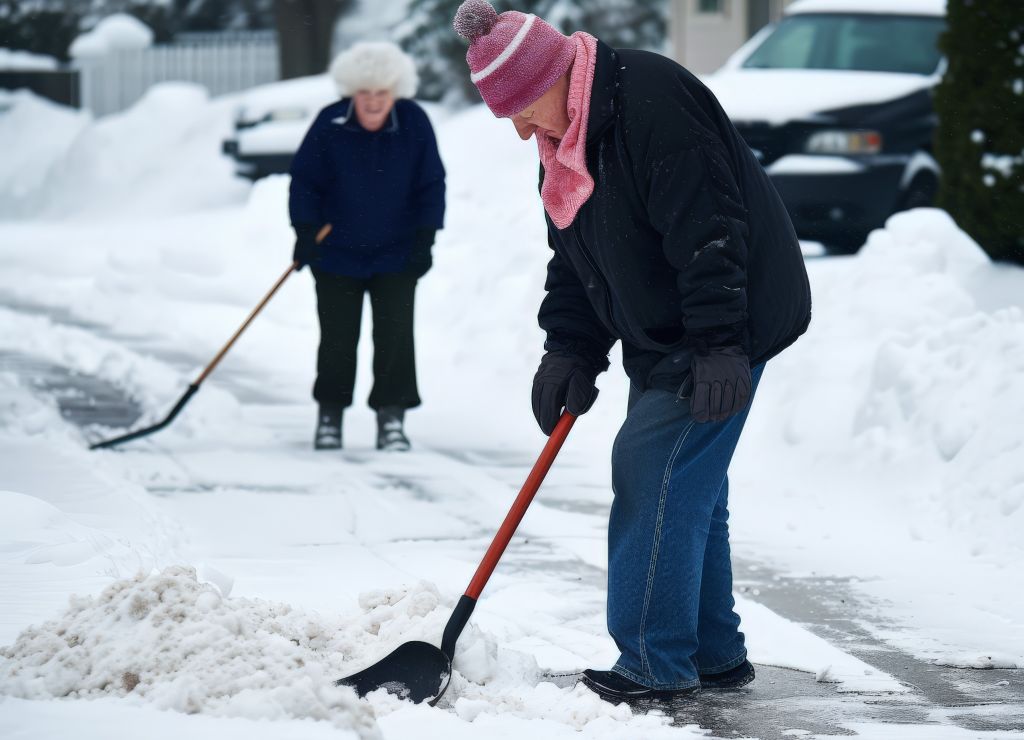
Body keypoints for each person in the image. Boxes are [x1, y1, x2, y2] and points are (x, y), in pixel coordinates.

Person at [452, 0, 811, 703]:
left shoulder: (651, 102)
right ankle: (711, 653)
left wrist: (719, 346)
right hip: (667, 328)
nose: (520, 129)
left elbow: (711, 230)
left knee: (651, 470)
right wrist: (570, 351)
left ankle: (653, 659)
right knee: (688, 487)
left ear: (552, 78)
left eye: (521, 110)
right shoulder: (564, 143)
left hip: (725, 318)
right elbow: (579, 259)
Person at [289, 41, 445, 451]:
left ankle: (391, 417)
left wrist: (425, 239)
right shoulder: (330, 122)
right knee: (337, 339)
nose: (374, 102)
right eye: (365, 93)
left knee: (395, 338)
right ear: (351, 92)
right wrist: (304, 232)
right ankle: (330, 415)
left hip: (397, 252)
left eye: (382, 93)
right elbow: (305, 181)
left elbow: (431, 183)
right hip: (335, 252)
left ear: (396, 92)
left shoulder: (413, 122)